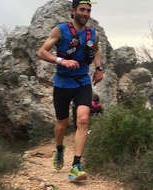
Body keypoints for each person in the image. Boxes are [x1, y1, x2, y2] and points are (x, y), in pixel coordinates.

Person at [37, 0, 103, 182]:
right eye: (82, 9)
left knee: (83, 120)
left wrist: (98, 69)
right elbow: (41, 52)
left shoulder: (93, 34)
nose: (86, 13)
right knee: (62, 125)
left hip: (82, 82)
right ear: (73, 11)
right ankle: (59, 149)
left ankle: (76, 166)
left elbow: (96, 51)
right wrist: (61, 61)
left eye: (88, 10)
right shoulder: (60, 30)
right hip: (62, 84)